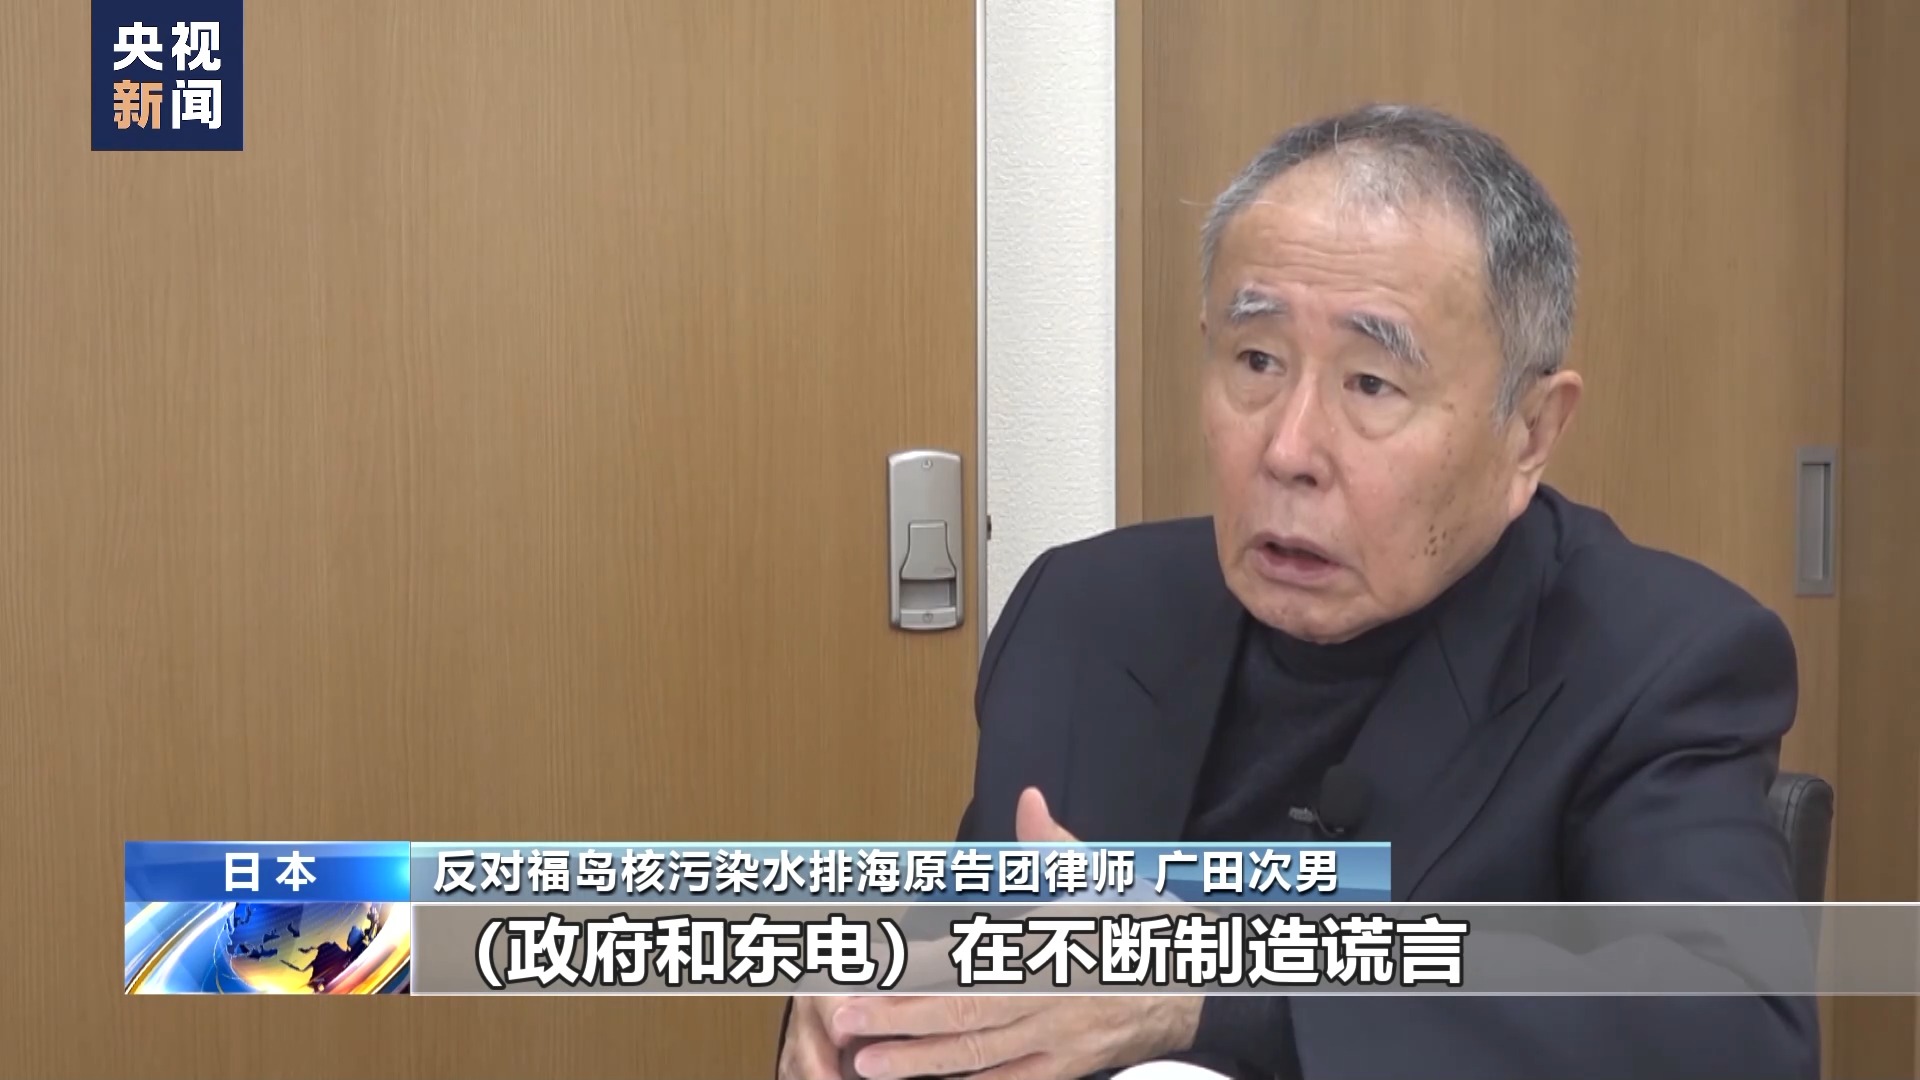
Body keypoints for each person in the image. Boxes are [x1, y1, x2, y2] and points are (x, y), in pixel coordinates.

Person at [776, 102, 1817, 1080]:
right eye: (1258, 361)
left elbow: (1735, 1033)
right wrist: (865, 1010)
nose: (1288, 449)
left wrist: (1204, 991)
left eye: (1371, 383)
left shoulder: (1658, 661)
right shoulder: (1082, 611)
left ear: (1531, 431)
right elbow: (979, 950)